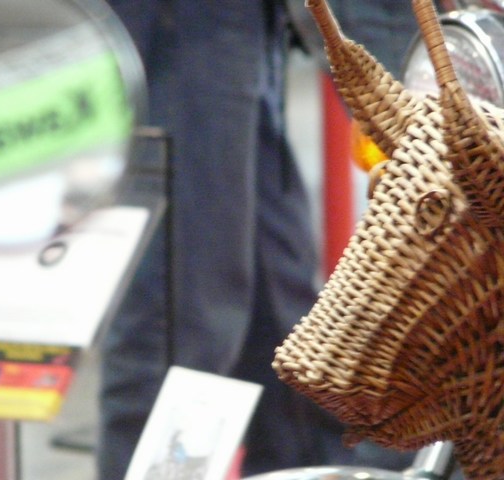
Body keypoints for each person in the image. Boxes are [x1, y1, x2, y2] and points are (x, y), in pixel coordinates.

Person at [97, 1, 424, 478]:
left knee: (280, 314)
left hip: (243, 25)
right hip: (184, 23)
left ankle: (309, 462)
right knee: (179, 318)